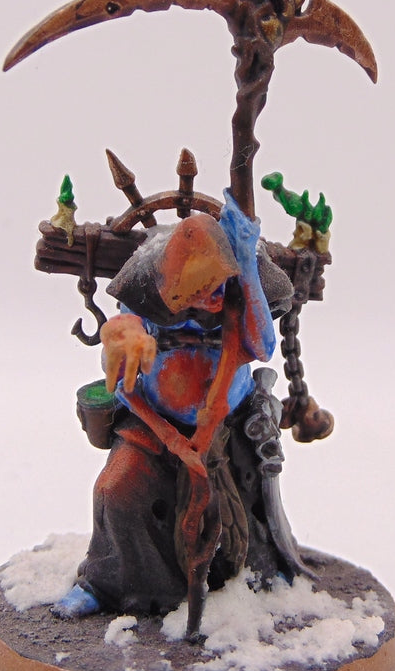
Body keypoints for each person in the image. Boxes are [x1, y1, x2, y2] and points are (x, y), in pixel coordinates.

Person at [52, 193, 306, 619]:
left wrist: (245, 260)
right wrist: (168, 434)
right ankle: (107, 584)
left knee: (249, 493)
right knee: (115, 489)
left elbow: (262, 346)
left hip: (228, 423)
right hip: (154, 423)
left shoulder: (238, 292)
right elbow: (124, 368)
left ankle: (261, 573)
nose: (214, 299)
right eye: (204, 290)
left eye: (219, 287)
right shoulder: (146, 299)